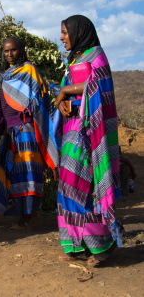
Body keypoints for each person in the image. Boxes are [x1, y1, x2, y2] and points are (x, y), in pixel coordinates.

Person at [55, 15, 121, 267]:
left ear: (77, 31)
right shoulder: (75, 59)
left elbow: (99, 85)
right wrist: (62, 101)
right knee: (68, 183)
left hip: (91, 131)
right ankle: (76, 243)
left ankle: (102, 246)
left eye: (64, 32)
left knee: (86, 184)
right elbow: (69, 84)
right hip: (72, 128)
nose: (61, 37)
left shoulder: (96, 55)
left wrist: (65, 92)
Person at [0, 37, 59, 231]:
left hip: (26, 130)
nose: (9, 54)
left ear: (21, 50)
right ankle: (21, 214)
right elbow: (1, 109)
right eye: (6, 51)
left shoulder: (29, 71)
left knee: (27, 173)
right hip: (11, 133)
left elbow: (42, 99)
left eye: (13, 50)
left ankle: (27, 217)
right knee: (12, 174)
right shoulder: (5, 76)